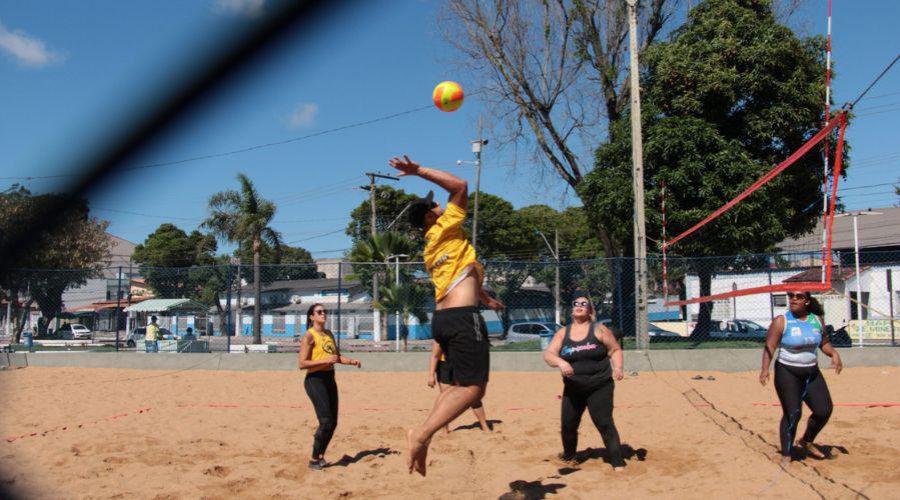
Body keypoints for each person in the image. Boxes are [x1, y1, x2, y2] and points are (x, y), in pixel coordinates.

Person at [390, 155, 504, 476]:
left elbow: (464, 274)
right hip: (464, 318)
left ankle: (424, 436)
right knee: (474, 390)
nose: (439, 204)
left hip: (444, 319)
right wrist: (418, 171)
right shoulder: (445, 226)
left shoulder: (431, 247)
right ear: (430, 216)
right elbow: (460, 186)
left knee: (455, 386)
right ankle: (422, 435)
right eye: (434, 205)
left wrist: (486, 298)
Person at [543, 294, 626, 471]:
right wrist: (561, 362)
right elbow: (549, 355)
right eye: (576, 303)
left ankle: (618, 462)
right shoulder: (563, 333)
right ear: (572, 309)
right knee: (568, 424)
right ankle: (569, 456)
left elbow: (615, 350)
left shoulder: (599, 329)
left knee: (604, 422)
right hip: (573, 388)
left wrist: (618, 367)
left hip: (599, 385)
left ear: (589, 310)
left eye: (584, 304)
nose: (579, 306)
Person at [759, 290, 842, 467]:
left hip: (811, 371)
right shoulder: (782, 321)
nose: (793, 299)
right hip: (787, 372)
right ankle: (787, 454)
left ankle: (806, 441)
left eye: (799, 297)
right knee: (793, 413)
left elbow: (824, 343)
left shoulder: (817, 320)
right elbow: (770, 346)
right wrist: (765, 369)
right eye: (791, 296)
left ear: (807, 301)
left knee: (824, 410)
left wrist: (833, 354)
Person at [298, 303, 361, 470]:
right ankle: (313, 459)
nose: (323, 314)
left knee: (333, 422)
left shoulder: (329, 334)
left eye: (324, 311)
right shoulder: (309, 336)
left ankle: (320, 456)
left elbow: (336, 357)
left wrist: (351, 361)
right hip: (315, 380)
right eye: (319, 312)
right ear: (312, 317)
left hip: (329, 378)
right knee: (325, 421)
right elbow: (302, 364)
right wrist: (325, 361)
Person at [427, 340, 490, 433]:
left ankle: (485, 427)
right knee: (446, 398)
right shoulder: (441, 335)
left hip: (462, 364)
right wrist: (431, 375)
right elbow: (435, 356)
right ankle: (445, 429)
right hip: (445, 366)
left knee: (473, 396)